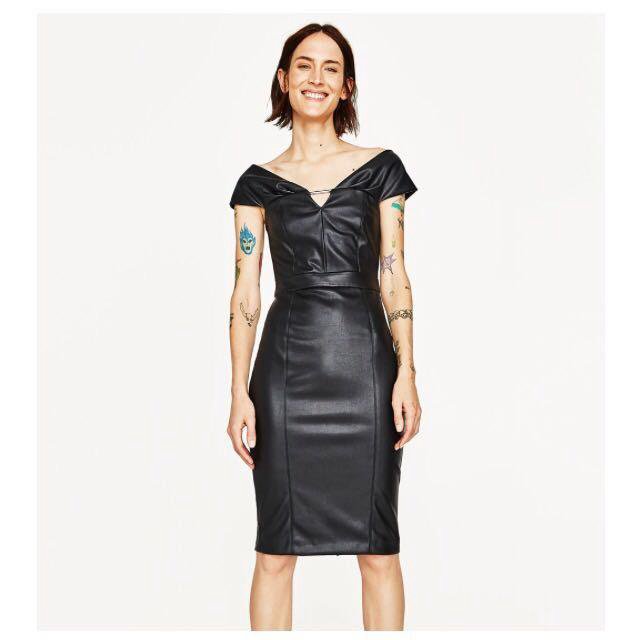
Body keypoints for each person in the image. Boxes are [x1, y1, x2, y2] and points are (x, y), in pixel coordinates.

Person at [227, 23, 422, 631]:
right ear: (284, 80)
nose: (316, 78)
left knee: (379, 549)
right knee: (274, 551)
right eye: (304, 66)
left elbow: (394, 271)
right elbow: (246, 291)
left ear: (347, 86)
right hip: (285, 376)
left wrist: (407, 373)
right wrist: (238, 391)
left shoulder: (381, 170)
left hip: (366, 371)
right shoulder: (257, 183)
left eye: (331, 68)